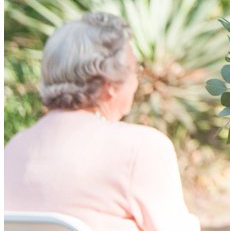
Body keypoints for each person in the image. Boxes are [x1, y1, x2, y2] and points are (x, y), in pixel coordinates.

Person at [4, 12, 200, 231]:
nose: (136, 81)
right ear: (110, 85)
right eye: (135, 70)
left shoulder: (13, 149)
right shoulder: (142, 148)